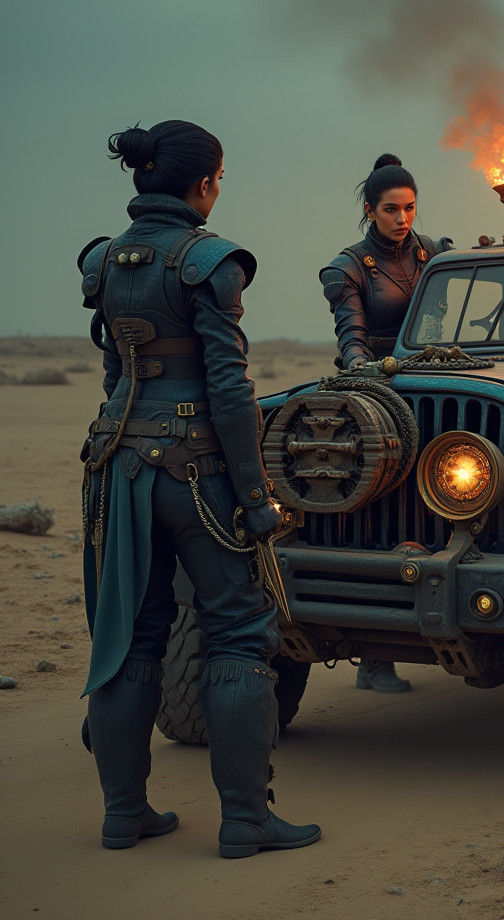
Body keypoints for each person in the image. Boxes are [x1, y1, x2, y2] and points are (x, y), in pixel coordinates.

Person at [79, 120, 321, 856]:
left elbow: (118, 375)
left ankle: (125, 815)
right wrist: (255, 499)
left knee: (132, 636)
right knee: (240, 637)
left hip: (117, 468)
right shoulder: (210, 261)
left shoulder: (104, 260)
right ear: (205, 182)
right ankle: (246, 821)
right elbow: (228, 387)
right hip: (198, 472)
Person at [319, 153, 451, 693]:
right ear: (369, 210)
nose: (403, 218)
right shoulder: (348, 267)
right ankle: (375, 656)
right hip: (377, 393)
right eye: (392, 209)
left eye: (410, 208)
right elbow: (349, 331)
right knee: (380, 510)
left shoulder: (438, 254)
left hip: (441, 385)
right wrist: (357, 364)